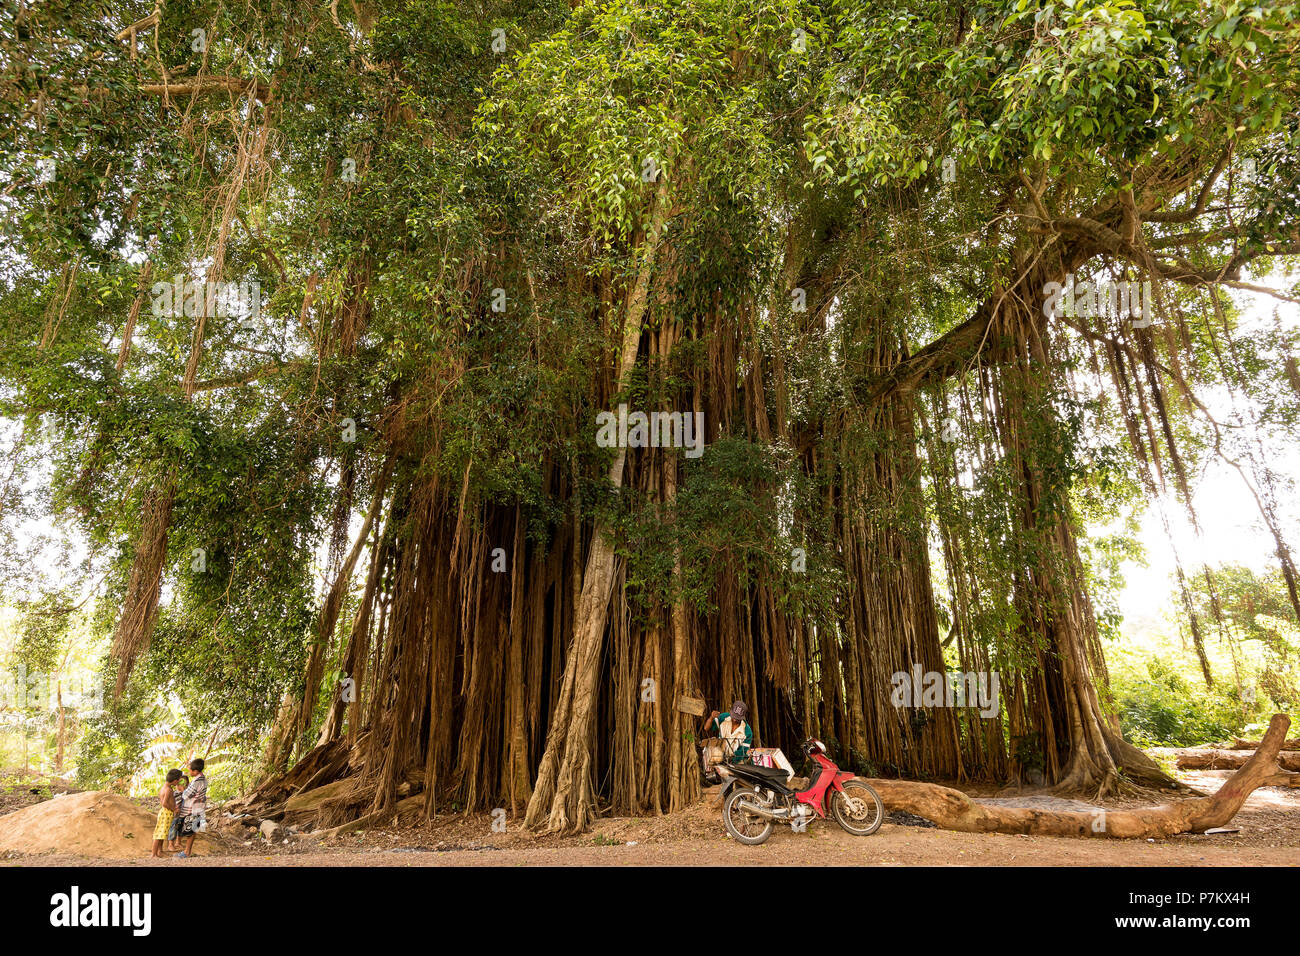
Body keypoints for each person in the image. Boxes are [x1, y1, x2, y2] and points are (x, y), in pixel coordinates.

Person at [703, 700, 753, 771]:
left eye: (737, 718)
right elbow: (706, 728)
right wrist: (711, 717)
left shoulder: (747, 731)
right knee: (708, 753)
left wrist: (728, 763)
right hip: (721, 754)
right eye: (734, 717)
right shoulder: (723, 718)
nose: (735, 720)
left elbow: (741, 752)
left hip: (737, 760)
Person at [175, 758, 208, 859]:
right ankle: (187, 851)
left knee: (191, 831)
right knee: (193, 830)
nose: (189, 772)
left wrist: (181, 790)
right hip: (198, 807)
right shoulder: (202, 779)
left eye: (190, 770)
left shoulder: (197, 782)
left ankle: (187, 852)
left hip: (193, 808)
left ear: (196, 771)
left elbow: (186, 795)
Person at [151, 769, 182, 858]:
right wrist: (174, 809)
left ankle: (159, 852)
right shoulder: (168, 790)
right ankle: (153, 854)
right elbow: (164, 803)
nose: (179, 781)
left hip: (166, 813)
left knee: (162, 833)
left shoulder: (164, 788)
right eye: (179, 779)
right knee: (158, 834)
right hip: (166, 813)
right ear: (175, 780)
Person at [167, 773, 189, 850]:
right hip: (176, 814)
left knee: (181, 828)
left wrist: (184, 791)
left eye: (182, 784)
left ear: (187, 785)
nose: (179, 787)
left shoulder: (187, 794)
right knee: (174, 827)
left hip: (183, 814)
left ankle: (178, 842)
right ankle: (170, 844)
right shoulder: (175, 793)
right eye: (178, 784)